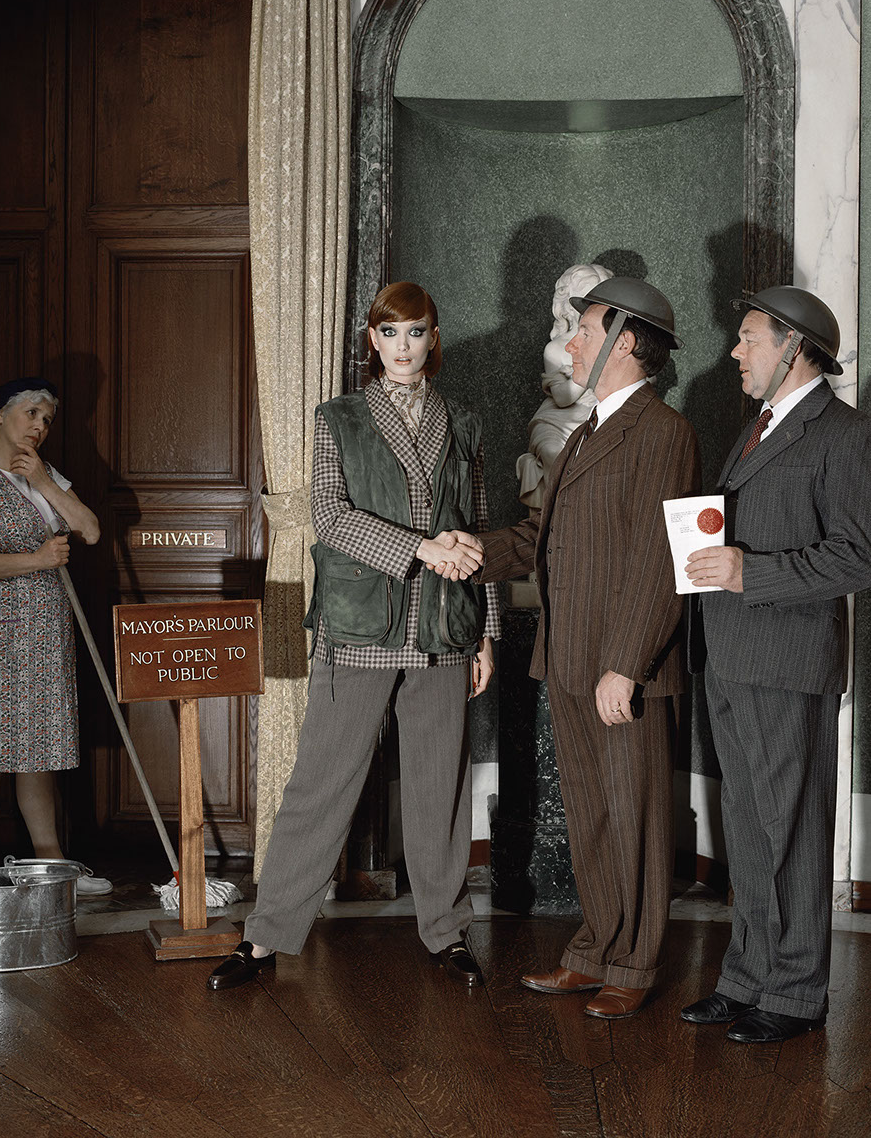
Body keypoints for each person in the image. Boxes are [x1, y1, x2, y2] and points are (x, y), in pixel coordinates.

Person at [207, 281, 500, 991]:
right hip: (359, 626)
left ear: (434, 338)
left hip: (444, 629)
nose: (403, 346)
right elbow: (331, 518)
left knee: (439, 791)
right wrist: (421, 549)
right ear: (373, 340)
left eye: (416, 332)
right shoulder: (337, 418)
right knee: (321, 783)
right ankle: (264, 938)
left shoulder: (464, 422)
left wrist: (486, 633)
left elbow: (480, 530)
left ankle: (446, 933)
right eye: (390, 333)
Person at [439, 278, 700, 1018]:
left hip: (622, 669)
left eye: (585, 331)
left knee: (634, 818)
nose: (571, 345)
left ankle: (634, 966)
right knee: (591, 817)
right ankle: (594, 952)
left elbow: (660, 560)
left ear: (625, 342)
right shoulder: (587, 433)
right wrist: (470, 552)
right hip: (570, 659)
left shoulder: (664, 432)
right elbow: (538, 540)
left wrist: (629, 665)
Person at [681, 286, 871, 1043]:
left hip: (789, 662)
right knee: (751, 829)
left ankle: (794, 995)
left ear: (794, 347)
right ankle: (747, 978)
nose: (735, 351)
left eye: (748, 338)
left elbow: (858, 555)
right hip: (731, 656)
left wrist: (747, 572)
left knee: (791, 829)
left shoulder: (844, 433)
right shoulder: (759, 425)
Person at [0, 378, 110, 895]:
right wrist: (36, 559)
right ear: (0, 414)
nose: (39, 426)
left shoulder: (46, 474)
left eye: (47, 420)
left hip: (43, 631)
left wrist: (42, 481)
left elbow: (90, 530)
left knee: (39, 754)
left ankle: (53, 868)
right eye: (31, 413)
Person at [516, 262, 612, 510]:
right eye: (587, 302)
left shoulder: (613, 345)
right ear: (569, 304)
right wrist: (593, 366)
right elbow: (562, 398)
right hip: (558, 422)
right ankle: (560, 515)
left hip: (599, 415)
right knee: (553, 453)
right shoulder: (556, 348)